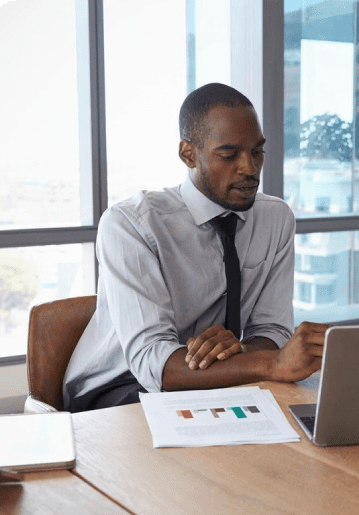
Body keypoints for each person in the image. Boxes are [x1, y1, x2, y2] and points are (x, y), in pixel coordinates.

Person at [63, 83, 328, 412]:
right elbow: (152, 363)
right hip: (119, 388)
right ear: (189, 154)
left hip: (216, 382)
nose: (250, 168)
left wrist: (242, 352)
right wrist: (271, 363)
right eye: (229, 155)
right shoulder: (130, 224)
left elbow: (271, 330)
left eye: (257, 152)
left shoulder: (275, 219)